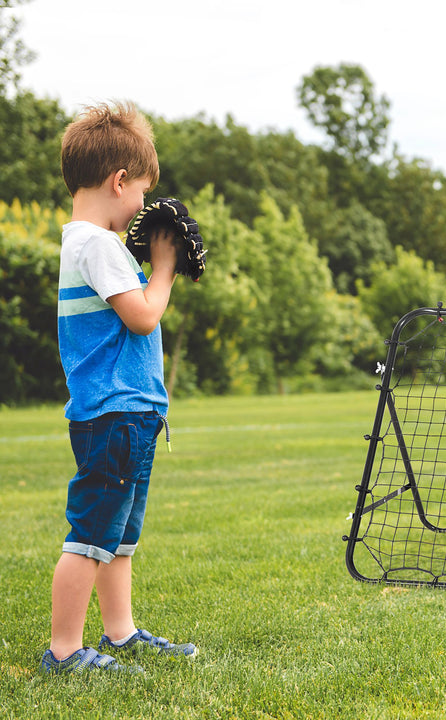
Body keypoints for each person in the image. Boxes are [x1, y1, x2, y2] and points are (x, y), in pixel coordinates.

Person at [40, 102, 197, 674]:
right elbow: (143, 317)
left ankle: (120, 632)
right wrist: (164, 265)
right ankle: (64, 650)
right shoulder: (97, 245)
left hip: (124, 413)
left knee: (118, 537)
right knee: (91, 535)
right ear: (119, 180)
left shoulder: (86, 243)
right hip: (115, 414)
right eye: (141, 195)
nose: (141, 210)